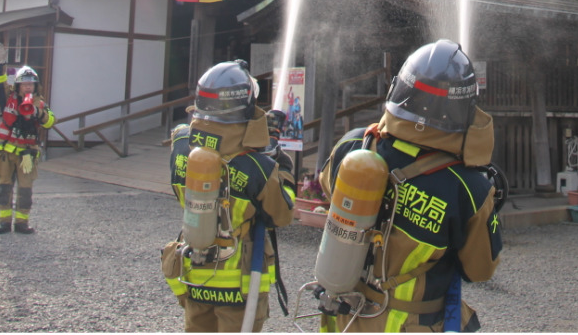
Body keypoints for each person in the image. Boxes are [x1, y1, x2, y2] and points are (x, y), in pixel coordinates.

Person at [317, 39, 503, 333]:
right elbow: (480, 269)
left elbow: (329, 186)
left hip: (343, 317)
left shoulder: (354, 145)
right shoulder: (468, 188)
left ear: (399, 89)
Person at [162, 60, 295, 332]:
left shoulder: (180, 145)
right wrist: (282, 165)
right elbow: (281, 214)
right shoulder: (258, 167)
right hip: (239, 284)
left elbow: (218, 144)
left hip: (193, 274)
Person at [0, 65, 55, 235]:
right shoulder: (8, 99)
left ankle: (22, 223)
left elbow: (50, 122)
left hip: (27, 154)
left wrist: (37, 112)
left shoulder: (40, 103)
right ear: (18, 85)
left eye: (31, 84)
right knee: (4, 188)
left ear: (36, 86)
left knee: (25, 190)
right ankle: (4, 223)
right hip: (7, 153)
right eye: (24, 83)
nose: (28, 86)